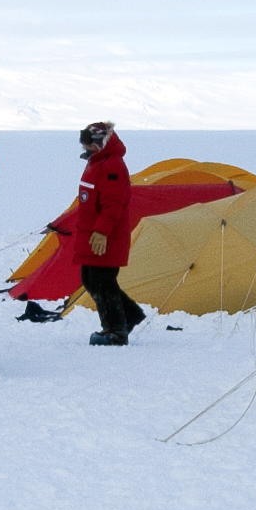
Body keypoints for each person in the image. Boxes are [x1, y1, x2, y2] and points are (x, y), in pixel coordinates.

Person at [72, 120, 146, 346]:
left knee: (102, 281)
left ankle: (115, 331)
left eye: (90, 144)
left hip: (106, 237)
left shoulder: (112, 166)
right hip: (93, 235)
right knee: (92, 278)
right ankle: (128, 315)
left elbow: (113, 204)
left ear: (102, 143)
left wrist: (102, 232)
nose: (87, 149)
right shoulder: (97, 163)